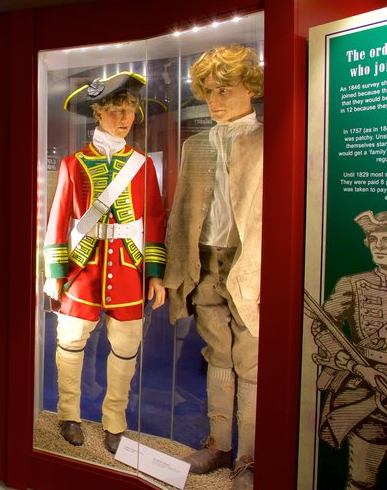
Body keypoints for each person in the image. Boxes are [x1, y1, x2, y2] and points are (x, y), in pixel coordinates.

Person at [43, 72, 167, 453]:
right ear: (97, 113)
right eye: (115, 110)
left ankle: (115, 420)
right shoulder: (73, 164)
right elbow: (57, 221)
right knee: (70, 344)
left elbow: (156, 221)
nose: (124, 117)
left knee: (126, 348)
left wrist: (156, 275)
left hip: (128, 270)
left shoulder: (143, 165)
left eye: (129, 109)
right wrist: (54, 274)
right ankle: (69, 413)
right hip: (83, 270)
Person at [161, 44, 264, 489]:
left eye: (224, 90)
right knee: (217, 351)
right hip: (204, 260)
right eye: (208, 94)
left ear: (250, 89)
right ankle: (220, 443)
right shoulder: (195, 145)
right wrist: (172, 271)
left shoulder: (270, 140)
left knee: (253, 359)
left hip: (251, 261)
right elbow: (182, 211)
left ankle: (251, 456)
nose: (216, 101)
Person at [309, 207, 387, 490]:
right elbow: (323, 328)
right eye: (374, 240)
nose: (378, 246)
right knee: (360, 480)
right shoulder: (353, 284)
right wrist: (356, 367)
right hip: (366, 393)